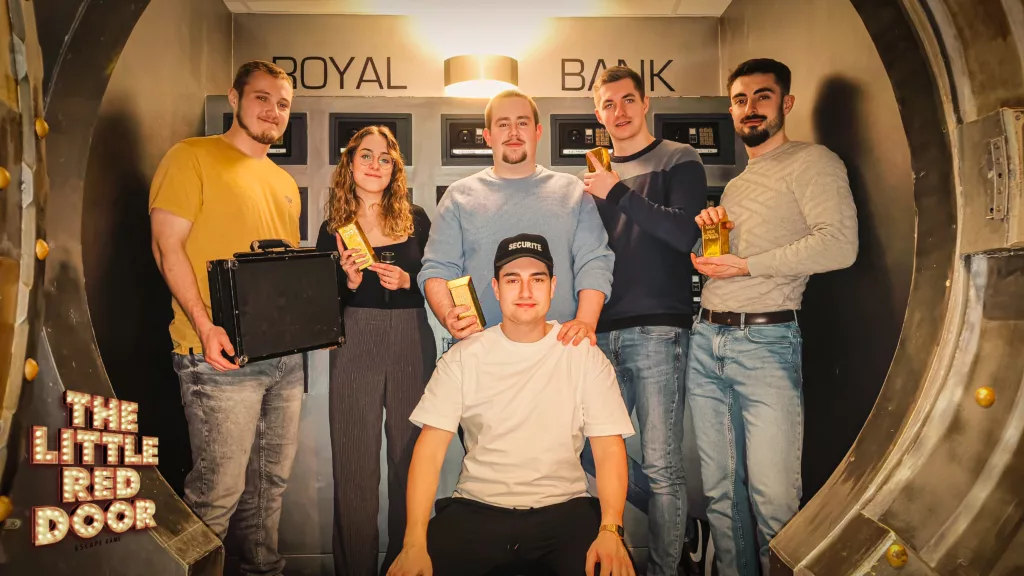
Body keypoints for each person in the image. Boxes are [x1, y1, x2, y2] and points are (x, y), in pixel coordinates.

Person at [687, 58, 858, 576]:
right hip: (706, 339)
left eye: (762, 96)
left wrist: (745, 264)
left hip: (765, 343)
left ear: (786, 103)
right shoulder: (739, 183)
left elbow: (840, 245)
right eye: (740, 99)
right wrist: (709, 244)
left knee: (774, 501)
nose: (750, 107)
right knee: (721, 497)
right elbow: (735, 260)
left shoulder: (814, 161)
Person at [388, 234, 637, 576]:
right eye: (512, 280)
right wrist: (414, 542)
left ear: (553, 287)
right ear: (495, 288)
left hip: (565, 511)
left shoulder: (583, 356)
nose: (525, 291)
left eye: (537, 279)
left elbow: (608, 449)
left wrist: (610, 530)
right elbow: (429, 451)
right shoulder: (464, 357)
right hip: (476, 509)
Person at [149, 60, 303, 576]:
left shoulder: (283, 181)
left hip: (282, 360)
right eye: (262, 98)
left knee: (269, 489)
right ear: (234, 98)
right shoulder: (190, 156)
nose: (273, 111)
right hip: (216, 357)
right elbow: (167, 248)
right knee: (217, 494)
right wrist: (204, 325)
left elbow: (279, 271)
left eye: (282, 104)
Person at [578, 65, 708, 576]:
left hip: (659, 329)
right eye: (609, 104)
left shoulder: (679, 157)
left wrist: (616, 192)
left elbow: (684, 234)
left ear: (645, 102)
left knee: (661, 464)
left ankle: (665, 566)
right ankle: (678, 525)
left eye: (628, 100)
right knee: (585, 452)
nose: (620, 112)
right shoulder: (595, 177)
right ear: (598, 114)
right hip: (601, 333)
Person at [315, 126, 435, 576]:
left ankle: (407, 564)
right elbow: (320, 306)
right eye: (366, 155)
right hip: (354, 340)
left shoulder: (416, 219)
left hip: (410, 339)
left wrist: (409, 281)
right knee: (354, 465)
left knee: (410, 460)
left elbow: (437, 281)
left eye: (385, 158)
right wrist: (347, 283)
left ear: (394, 169)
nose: (374, 164)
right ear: (350, 163)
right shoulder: (333, 228)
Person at [418, 89, 614, 348]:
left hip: (560, 347)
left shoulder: (573, 192)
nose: (513, 132)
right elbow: (438, 268)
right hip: (479, 348)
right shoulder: (458, 196)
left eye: (522, 123)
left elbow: (594, 261)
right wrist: (447, 315)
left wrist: (586, 321)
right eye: (503, 124)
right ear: (488, 136)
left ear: (538, 132)